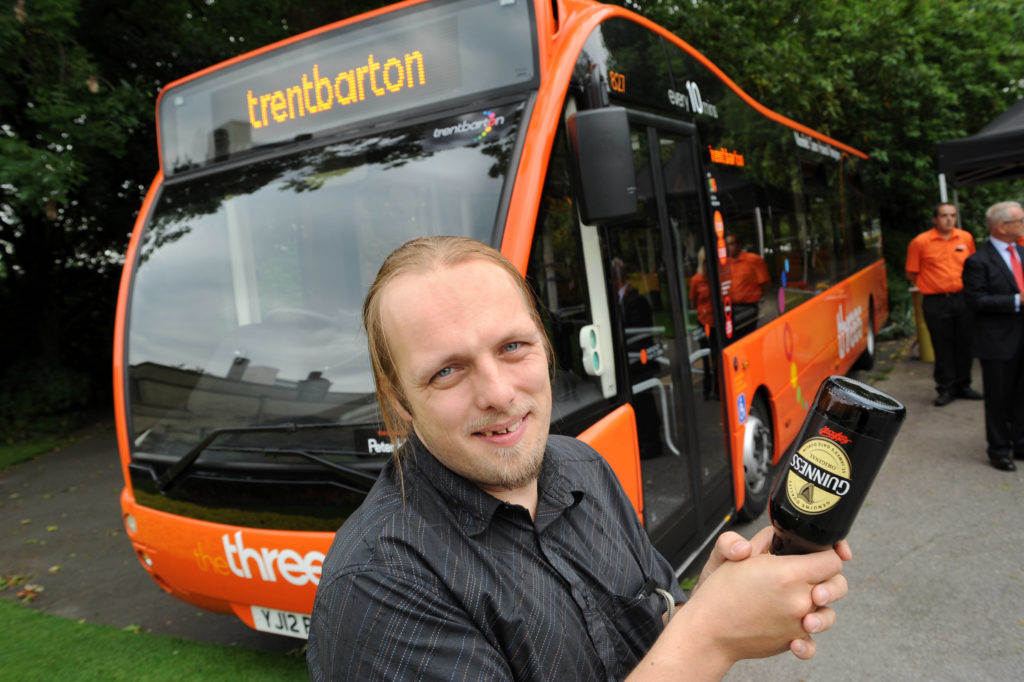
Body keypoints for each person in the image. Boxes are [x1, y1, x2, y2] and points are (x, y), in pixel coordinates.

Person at [308, 236, 851, 681]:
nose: (497, 392)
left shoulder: (580, 466)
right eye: (446, 371)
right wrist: (711, 635)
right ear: (398, 398)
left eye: (513, 347)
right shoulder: (380, 585)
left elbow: (652, 639)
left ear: (545, 343)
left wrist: (712, 600)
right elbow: (691, 647)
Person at [961, 201, 1024, 472]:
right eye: (1020, 221)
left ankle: (1020, 442)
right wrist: (1016, 300)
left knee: (1022, 395)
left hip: (1022, 337)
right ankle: (998, 450)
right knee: (998, 398)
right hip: (997, 342)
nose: (1023, 225)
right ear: (1002, 226)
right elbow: (976, 301)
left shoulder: (1021, 251)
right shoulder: (978, 261)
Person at [905, 203, 983, 406]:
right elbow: (912, 272)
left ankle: (964, 385)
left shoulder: (965, 238)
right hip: (936, 301)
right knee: (942, 346)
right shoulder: (920, 242)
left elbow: (973, 265)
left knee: (965, 344)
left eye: (953, 215)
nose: (949, 219)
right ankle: (946, 389)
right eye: (944, 215)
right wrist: (929, 285)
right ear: (935, 219)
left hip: (962, 298)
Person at [724, 233, 769, 339]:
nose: (728, 247)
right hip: (729, 307)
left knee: (747, 336)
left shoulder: (753, 260)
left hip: (748, 307)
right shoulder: (724, 263)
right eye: (726, 245)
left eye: (731, 244)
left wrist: (757, 298)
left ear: (739, 245)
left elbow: (765, 283)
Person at [690, 247, 718, 399]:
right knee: (705, 358)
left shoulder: (715, 277)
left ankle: (718, 389)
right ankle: (706, 391)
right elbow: (693, 302)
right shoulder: (696, 280)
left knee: (717, 357)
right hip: (703, 323)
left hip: (716, 323)